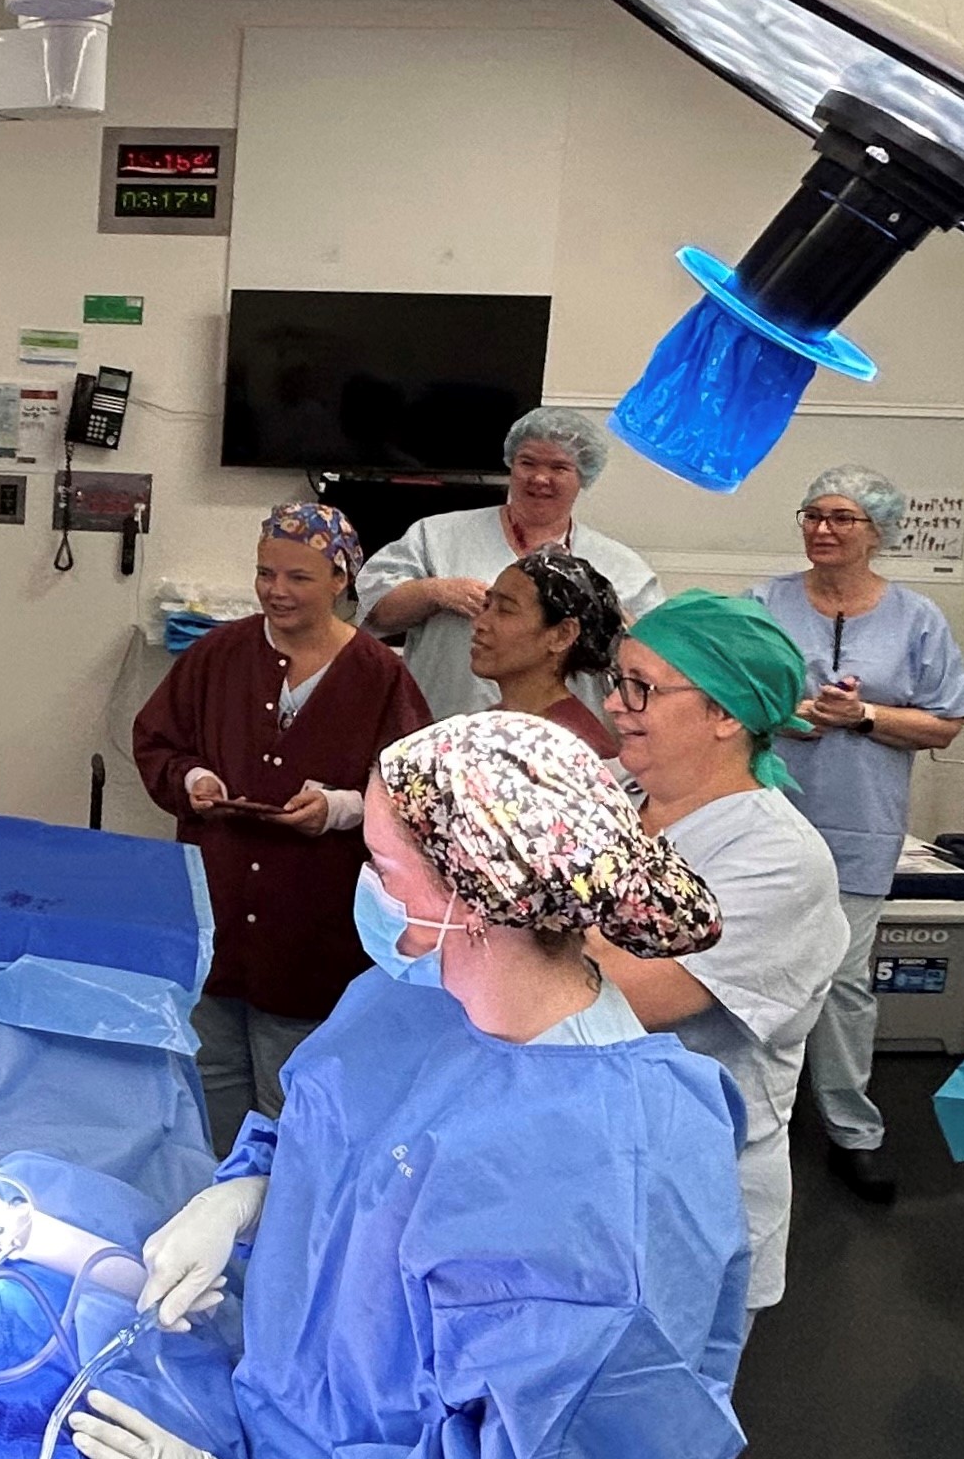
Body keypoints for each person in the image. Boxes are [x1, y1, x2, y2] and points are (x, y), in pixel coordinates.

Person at [71, 708, 750, 1459]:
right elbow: (331, 1132)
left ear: (473, 899)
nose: (370, 889)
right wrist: (245, 1194)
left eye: (383, 865)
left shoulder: (617, 1178)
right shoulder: (408, 997)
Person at [583, 589, 847, 1459]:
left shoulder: (775, 857)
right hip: (584, 1190)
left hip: (686, 1221)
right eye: (616, 684)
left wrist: (491, 919)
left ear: (730, 716)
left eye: (642, 691)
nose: (615, 710)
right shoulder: (627, 808)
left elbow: (630, 996)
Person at [132, 502, 429, 1150]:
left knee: (293, 1083)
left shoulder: (380, 677)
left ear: (339, 580)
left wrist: (340, 808)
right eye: (265, 573)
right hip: (217, 907)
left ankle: (282, 1222)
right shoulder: (218, 654)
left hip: (312, 927)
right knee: (211, 1071)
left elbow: (414, 793)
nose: (275, 590)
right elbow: (159, 741)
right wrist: (191, 780)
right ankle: (216, 1210)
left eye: (297, 577)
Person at [754, 467, 964, 1205]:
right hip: (768, 815)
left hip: (859, 822)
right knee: (753, 968)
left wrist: (866, 718)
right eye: (812, 513)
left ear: (876, 531)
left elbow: (944, 721)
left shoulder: (916, 619)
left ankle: (853, 1129)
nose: (822, 528)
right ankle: (751, 1121)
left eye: (841, 517)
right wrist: (791, 715)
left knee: (841, 980)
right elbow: (732, 692)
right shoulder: (765, 602)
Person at [358, 407, 663, 721]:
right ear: (510, 465)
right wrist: (435, 592)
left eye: (559, 467)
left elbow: (656, 660)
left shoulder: (620, 567)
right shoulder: (437, 536)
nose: (540, 478)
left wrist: (607, 617)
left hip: (560, 749)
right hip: (441, 734)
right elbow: (376, 611)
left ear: (583, 476)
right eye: (527, 463)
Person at [467, 543, 623, 757]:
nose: (480, 623)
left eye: (505, 610)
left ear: (562, 635)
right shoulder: (495, 720)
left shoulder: (576, 748)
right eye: (486, 606)